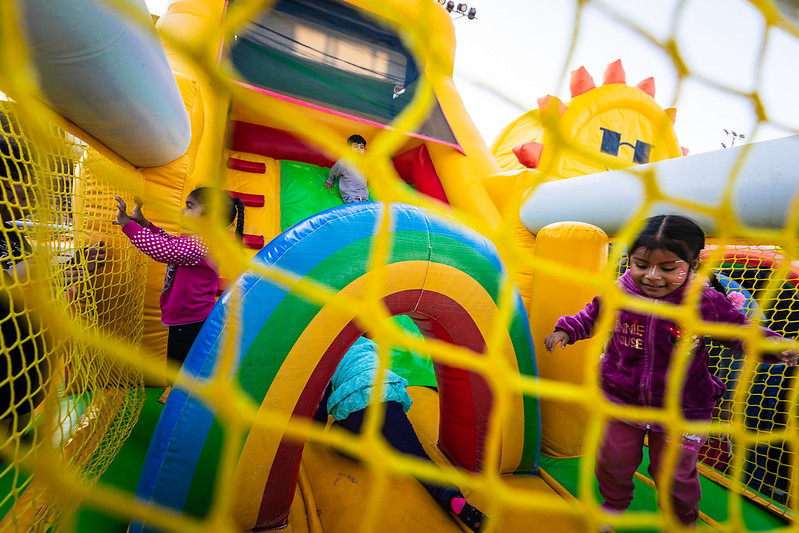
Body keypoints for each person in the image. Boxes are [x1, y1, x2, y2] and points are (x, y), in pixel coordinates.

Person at [543, 214, 797, 528]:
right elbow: (593, 314)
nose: (652, 276)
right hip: (624, 399)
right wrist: (567, 330)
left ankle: (680, 521)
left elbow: (738, 331)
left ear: (692, 265)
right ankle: (614, 503)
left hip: (683, 406)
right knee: (612, 461)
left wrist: (773, 346)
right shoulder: (621, 292)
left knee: (675, 474)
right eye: (641, 264)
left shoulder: (701, 301)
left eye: (667, 268)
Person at [314, 335, 486, 532]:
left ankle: (372, 450)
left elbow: (320, 400)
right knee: (420, 460)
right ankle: (456, 500)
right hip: (388, 401)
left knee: (335, 435)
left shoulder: (328, 354)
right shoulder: (369, 345)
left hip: (357, 411)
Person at [114, 187, 244, 364]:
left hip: (191, 322)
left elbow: (165, 250)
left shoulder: (203, 244)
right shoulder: (201, 240)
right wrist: (145, 224)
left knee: (181, 369)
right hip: (188, 319)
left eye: (189, 207)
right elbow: (171, 242)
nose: (182, 211)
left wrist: (127, 225)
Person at [323, 134, 370, 203]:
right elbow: (334, 171)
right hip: (350, 194)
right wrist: (330, 181)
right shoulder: (343, 162)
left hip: (363, 194)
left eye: (361, 147)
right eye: (355, 146)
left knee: (368, 208)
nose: (359, 149)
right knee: (356, 207)